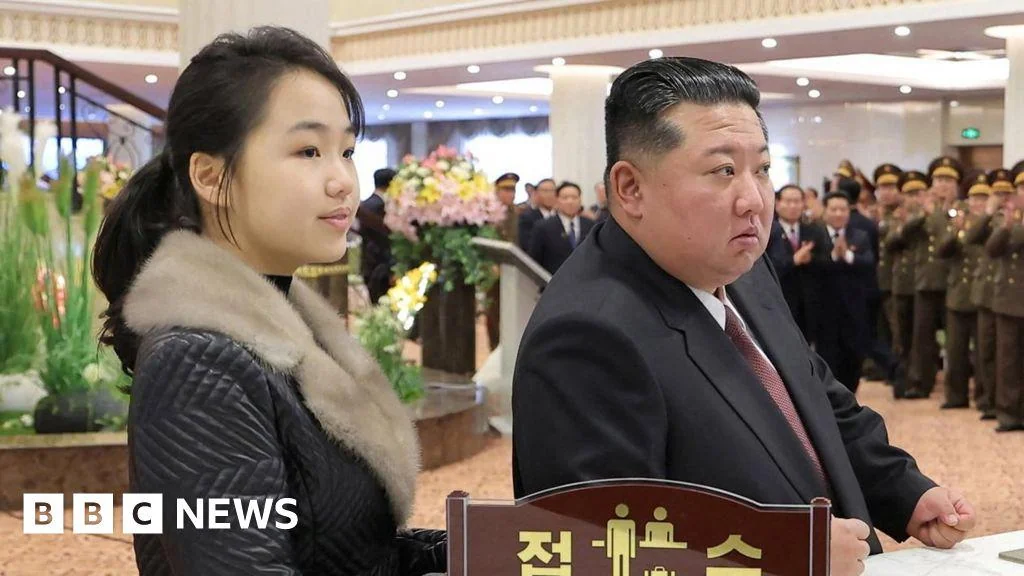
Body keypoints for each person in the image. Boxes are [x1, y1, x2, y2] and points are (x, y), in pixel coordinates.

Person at [511, 57, 975, 576]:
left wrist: (903, 490)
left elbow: (816, 400)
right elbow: (600, 549)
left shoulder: (742, 267)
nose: (753, 200)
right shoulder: (586, 336)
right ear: (630, 188)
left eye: (763, 170)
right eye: (723, 171)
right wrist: (784, 554)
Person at [91, 27, 445, 575]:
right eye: (308, 151)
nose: (342, 182)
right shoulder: (198, 363)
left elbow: (352, 551)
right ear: (210, 176)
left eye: (347, 152)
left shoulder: (290, 334)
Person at [967, 168, 1016, 420]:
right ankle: (988, 400)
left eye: (1007, 193)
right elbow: (971, 237)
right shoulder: (988, 218)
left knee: (1006, 354)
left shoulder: (1015, 218)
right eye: (998, 193)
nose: (1003, 197)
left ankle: (1004, 403)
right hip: (987, 292)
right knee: (986, 351)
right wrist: (988, 211)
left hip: (1008, 292)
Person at [935, 174, 988, 409]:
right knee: (955, 349)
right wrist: (955, 231)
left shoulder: (992, 224)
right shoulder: (958, 221)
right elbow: (942, 251)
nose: (978, 203)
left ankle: (984, 397)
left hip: (982, 295)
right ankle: (956, 395)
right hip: (958, 294)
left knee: (984, 352)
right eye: (975, 198)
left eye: (983, 198)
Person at [816, 191, 875, 393]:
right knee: (827, 357)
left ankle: (850, 395)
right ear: (825, 211)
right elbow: (812, 265)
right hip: (824, 309)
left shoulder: (860, 235)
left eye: (843, 209)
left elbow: (869, 261)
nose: (838, 214)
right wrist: (833, 255)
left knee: (853, 357)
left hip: (853, 308)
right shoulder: (816, 235)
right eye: (834, 209)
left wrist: (848, 255)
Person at [985, 160, 1024, 432]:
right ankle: (1009, 414)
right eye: (1021, 188)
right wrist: (1008, 226)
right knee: (1008, 360)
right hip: (1008, 298)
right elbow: (991, 249)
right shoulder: (1004, 217)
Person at [766, 183, 828, 344]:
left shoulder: (814, 229)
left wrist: (810, 259)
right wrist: (793, 261)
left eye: (797, 201)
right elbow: (764, 267)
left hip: (809, 302)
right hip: (779, 300)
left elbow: (826, 260)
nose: (793, 206)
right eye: (788, 201)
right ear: (777, 204)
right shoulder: (768, 232)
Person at [528, 181, 595, 274]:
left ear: (580, 200)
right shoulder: (543, 227)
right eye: (565, 198)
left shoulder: (591, 225)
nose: (570, 201)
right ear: (557, 200)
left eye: (574, 197)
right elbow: (534, 261)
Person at [487, 172, 520, 349]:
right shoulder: (487, 213)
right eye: (506, 190)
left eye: (513, 190)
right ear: (497, 191)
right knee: (493, 311)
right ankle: (494, 347)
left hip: (514, 269)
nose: (510, 194)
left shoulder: (517, 213)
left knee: (512, 311)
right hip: (493, 271)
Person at [359, 167, 396, 304]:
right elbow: (385, 238)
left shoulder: (366, 204)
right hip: (379, 264)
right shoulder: (380, 206)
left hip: (367, 260)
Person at [518, 177, 557, 250]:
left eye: (552, 191)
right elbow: (528, 246)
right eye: (545, 191)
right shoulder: (527, 218)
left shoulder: (561, 216)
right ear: (536, 194)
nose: (549, 194)